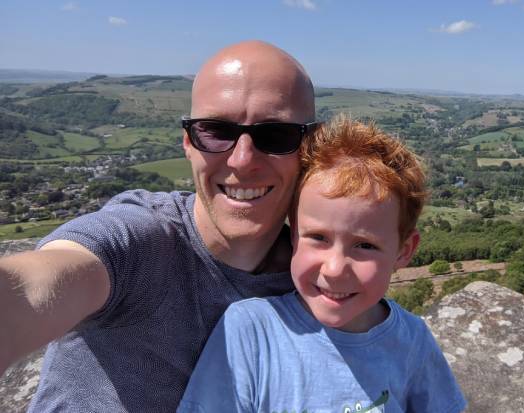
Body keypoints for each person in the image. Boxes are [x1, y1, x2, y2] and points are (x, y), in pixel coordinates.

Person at [0, 40, 317, 412]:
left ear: (311, 144)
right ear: (188, 142)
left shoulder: (319, 282)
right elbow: (38, 285)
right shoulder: (141, 242)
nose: (243, 160)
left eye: (276, 135)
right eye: (216, 131)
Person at [178, 117, 467, 413]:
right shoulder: (251, 331)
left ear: (403, 252)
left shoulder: (412, 342)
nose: (334, 268)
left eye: (365, 245)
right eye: (318, 238)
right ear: (293, 235)